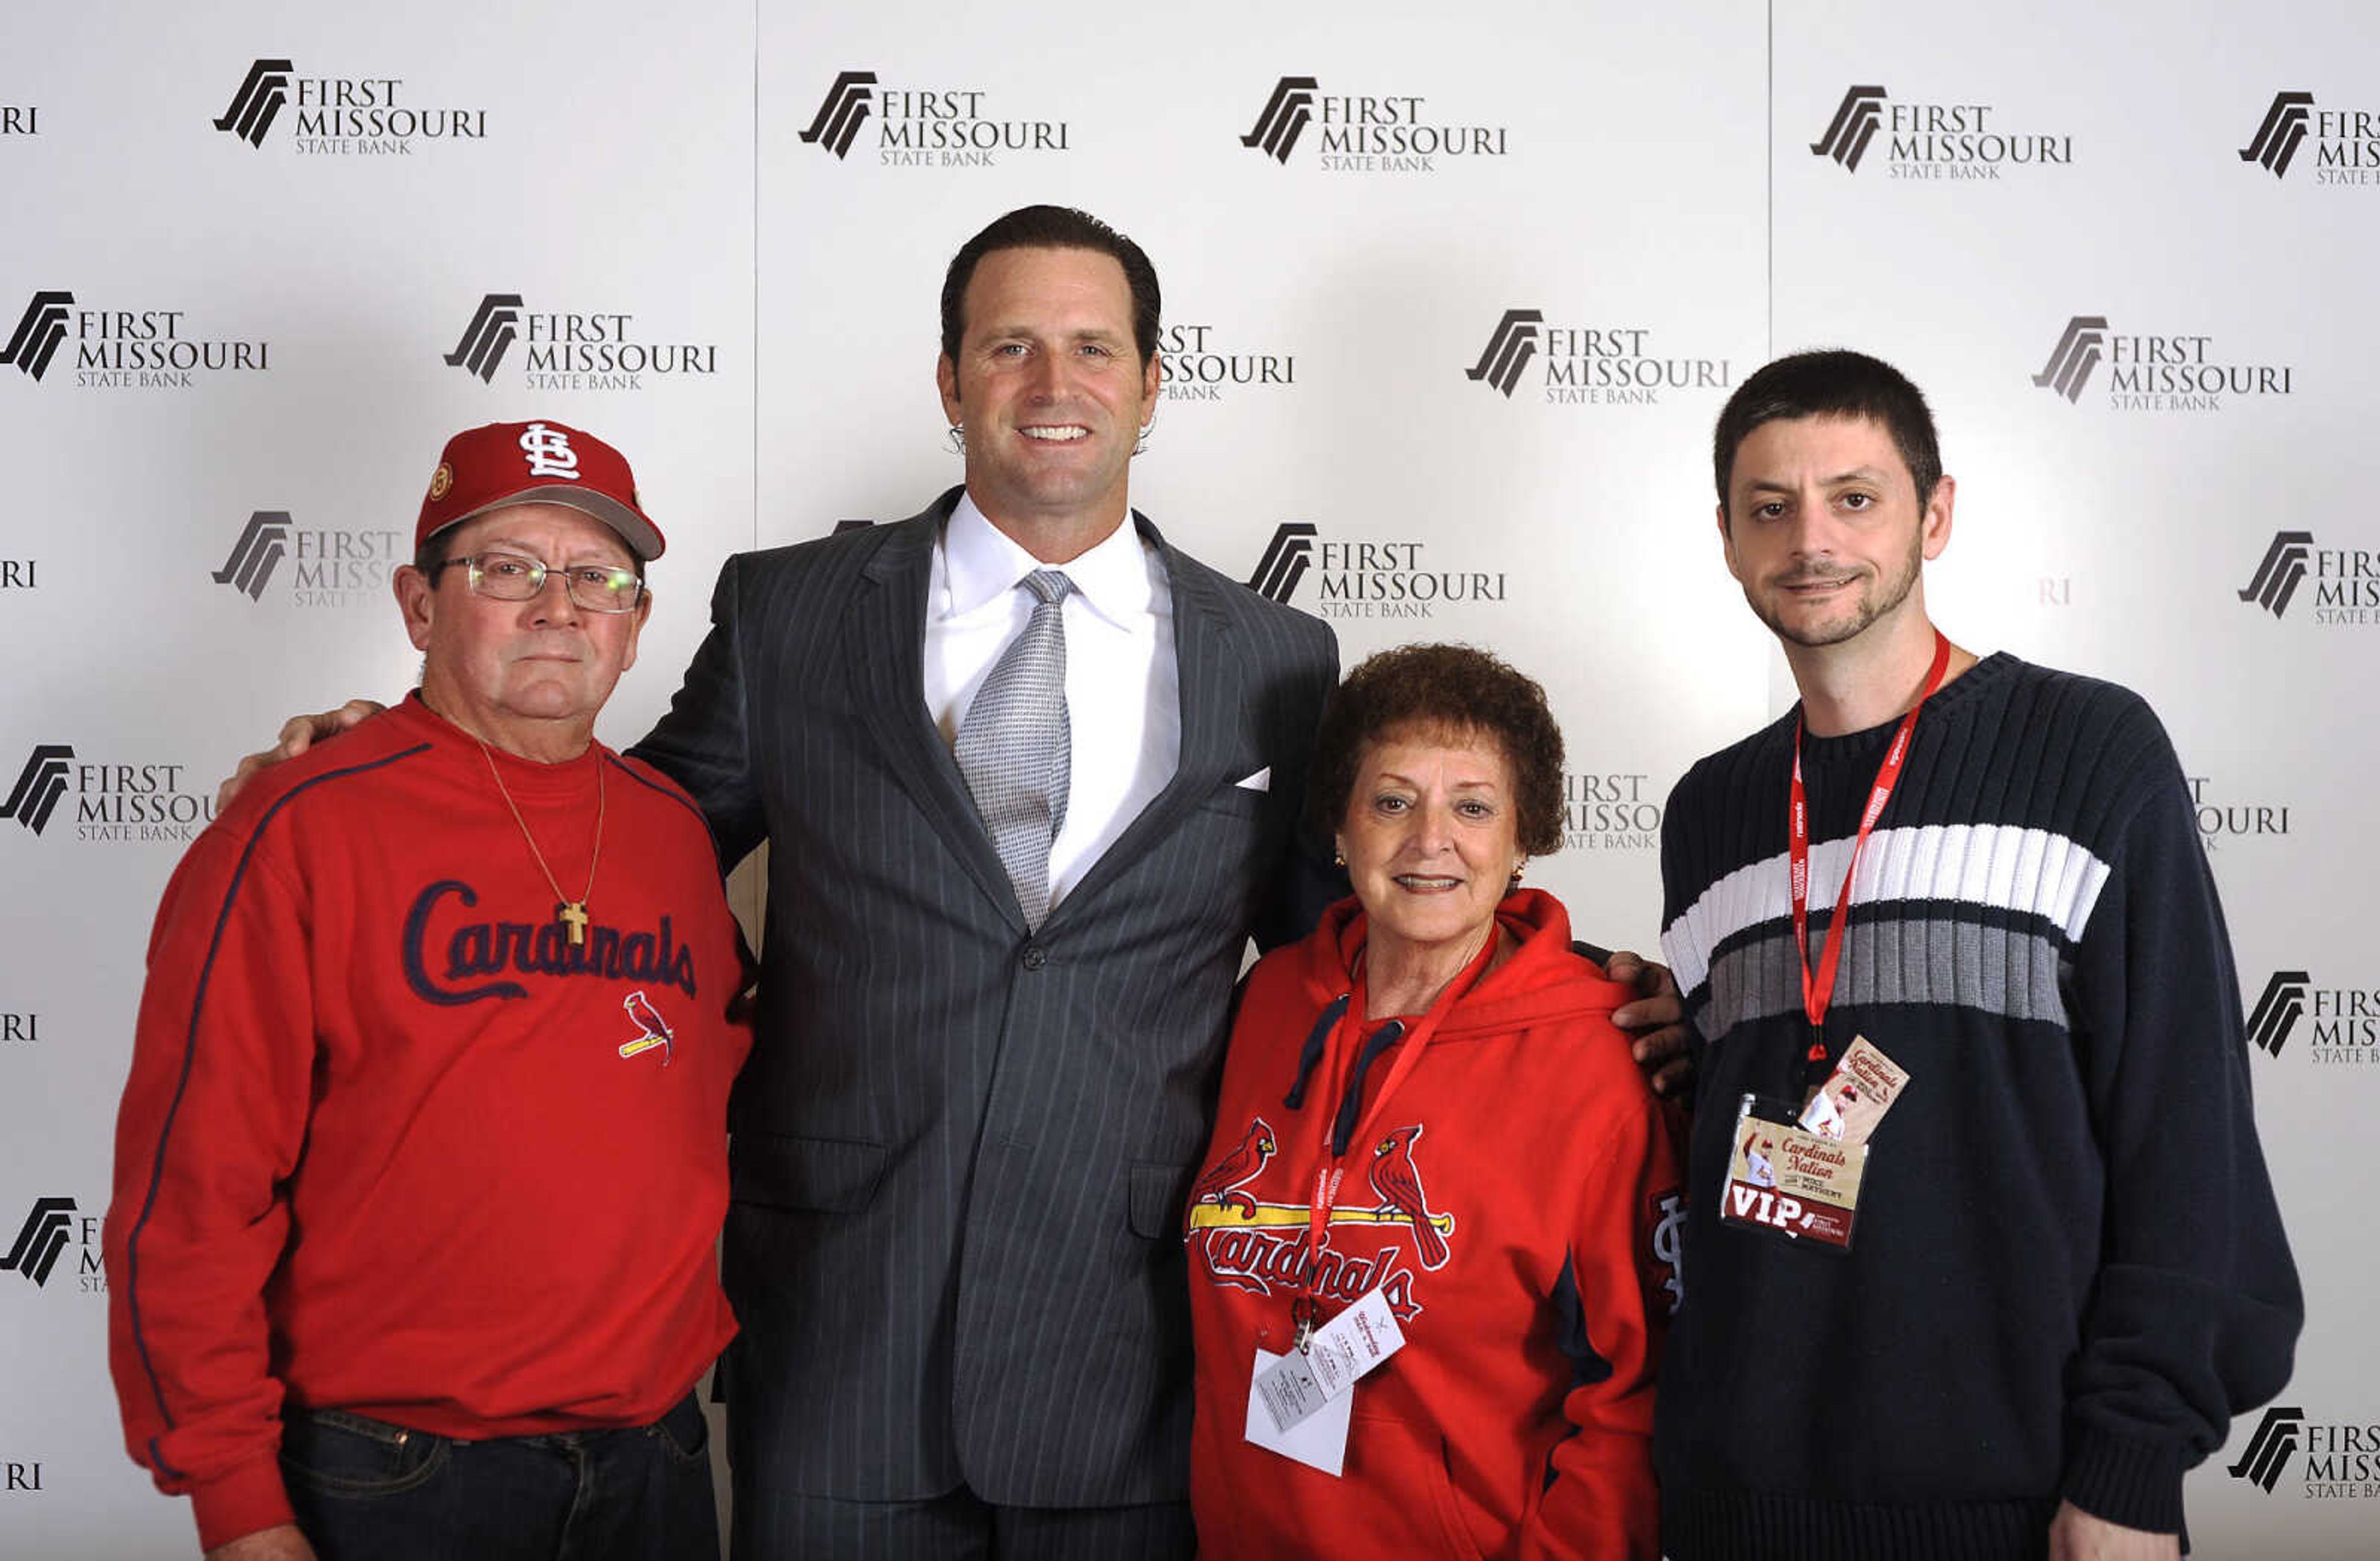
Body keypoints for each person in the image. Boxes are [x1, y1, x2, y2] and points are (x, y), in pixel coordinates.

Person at [216, 206, 1691, 1559]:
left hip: (1123, 1361)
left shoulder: (1275, 656)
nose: (1054, 378)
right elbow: (624, 836)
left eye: (1093, 344)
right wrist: (429, 760)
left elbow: (1362, 939)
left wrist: (1577, 991)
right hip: (839, 1342)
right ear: (950, 380)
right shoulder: (790, 611)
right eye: (1010, 343)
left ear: (1153, 383)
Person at [1653, 350, 2301, 1560]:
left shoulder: (2089, 748)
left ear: (1933, 513)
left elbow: (2186, 1136)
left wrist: (2130, 1468)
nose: (1811, 539)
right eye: (1769, 506)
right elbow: (1737, 1117)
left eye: (1856, 496)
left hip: (2023, 1503)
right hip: (1735, 1501)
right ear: (1729, 537)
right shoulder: (1712, 810)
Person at [104, 420, 751, 1561]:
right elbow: (191, 1197)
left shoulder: (674, 835)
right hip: (391, 1478)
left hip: (655, 1466)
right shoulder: (300, 825)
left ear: (637, 622)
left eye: (598, 576)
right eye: (507, 568)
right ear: (418, 605)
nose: (559, 606)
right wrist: (240, 1510)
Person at [1186, 643, 1681, 1560]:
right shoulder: (1266, 1003)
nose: (1429, 840)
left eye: (1473, 805)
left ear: (1524, 834)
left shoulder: (1596, 1060)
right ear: (1340, 825)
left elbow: (1634, 1404)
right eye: (1392, 800)